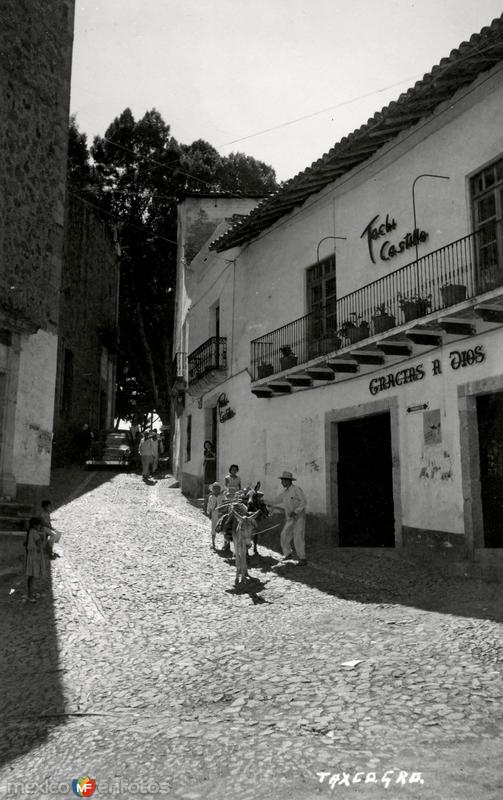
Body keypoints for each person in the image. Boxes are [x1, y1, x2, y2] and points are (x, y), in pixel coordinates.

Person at [269, 470, 308, 566]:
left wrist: (296, 512)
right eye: (282, 480)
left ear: (288, 481)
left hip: (299, 518)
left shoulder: (296, 489)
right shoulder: (285, 493)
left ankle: (302, 558)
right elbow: (275, 501)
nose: (282, 482)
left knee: (298, 538)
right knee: (284, 535)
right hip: (290, 519)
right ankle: (288, 553)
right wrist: (263, 501)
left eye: (283, 480)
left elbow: (304, 502)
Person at [24, 517, 47, 602]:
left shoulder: (30, 532)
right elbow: (40, 544)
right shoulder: (34, 533)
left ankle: (31, 593)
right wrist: (43, 538)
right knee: (32, 578)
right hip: (34, 559)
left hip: (31, 557)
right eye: (39, 525)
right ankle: (30, 596)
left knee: (31, 577)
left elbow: (26, 544)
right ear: (35, 525)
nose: (40, 526)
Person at [206, 481, 225, 550]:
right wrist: (209, 513)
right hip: (214, 514)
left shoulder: (222, 496)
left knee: (223, 528)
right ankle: (213, 543)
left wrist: (224, 512)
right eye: (214, 488)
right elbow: (209, 505)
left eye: (217, 488)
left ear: (219, 489)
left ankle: (225, 544)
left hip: (221, 514)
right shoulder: (211, 497)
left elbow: (225, 504)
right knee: (213, 527)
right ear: (212, 489)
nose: (216, 490)